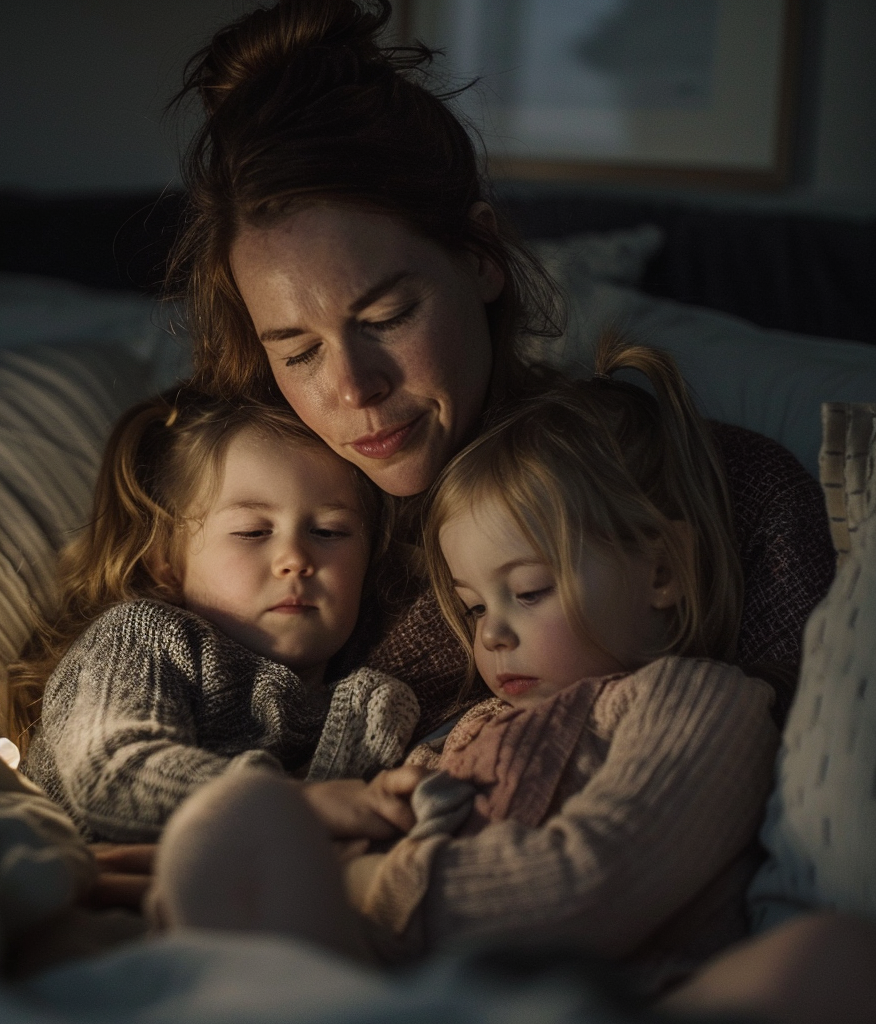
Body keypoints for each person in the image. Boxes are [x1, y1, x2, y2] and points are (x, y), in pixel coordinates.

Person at [165, 0, 834, 732]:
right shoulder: (225, 535)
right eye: (299, 350)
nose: (355, 387)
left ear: (481, 258)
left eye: (387, 319)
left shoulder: (714, 496)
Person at [145, 337, 780, 997]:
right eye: (475, 608)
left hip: (588, 992)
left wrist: (361, 891)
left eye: (529, 592)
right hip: (415, 982)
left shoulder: (700, 701)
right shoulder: (472, 726)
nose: (493, 635)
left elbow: (593, 883)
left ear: (662, 571)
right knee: (239, 820)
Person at [15, 387, 426, 845]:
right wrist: (304, 806)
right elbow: (112, 773)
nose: (294, 558)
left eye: (329, 531)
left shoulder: (371, 704)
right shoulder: (141, 638)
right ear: (166, 560)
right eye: (252, 532)